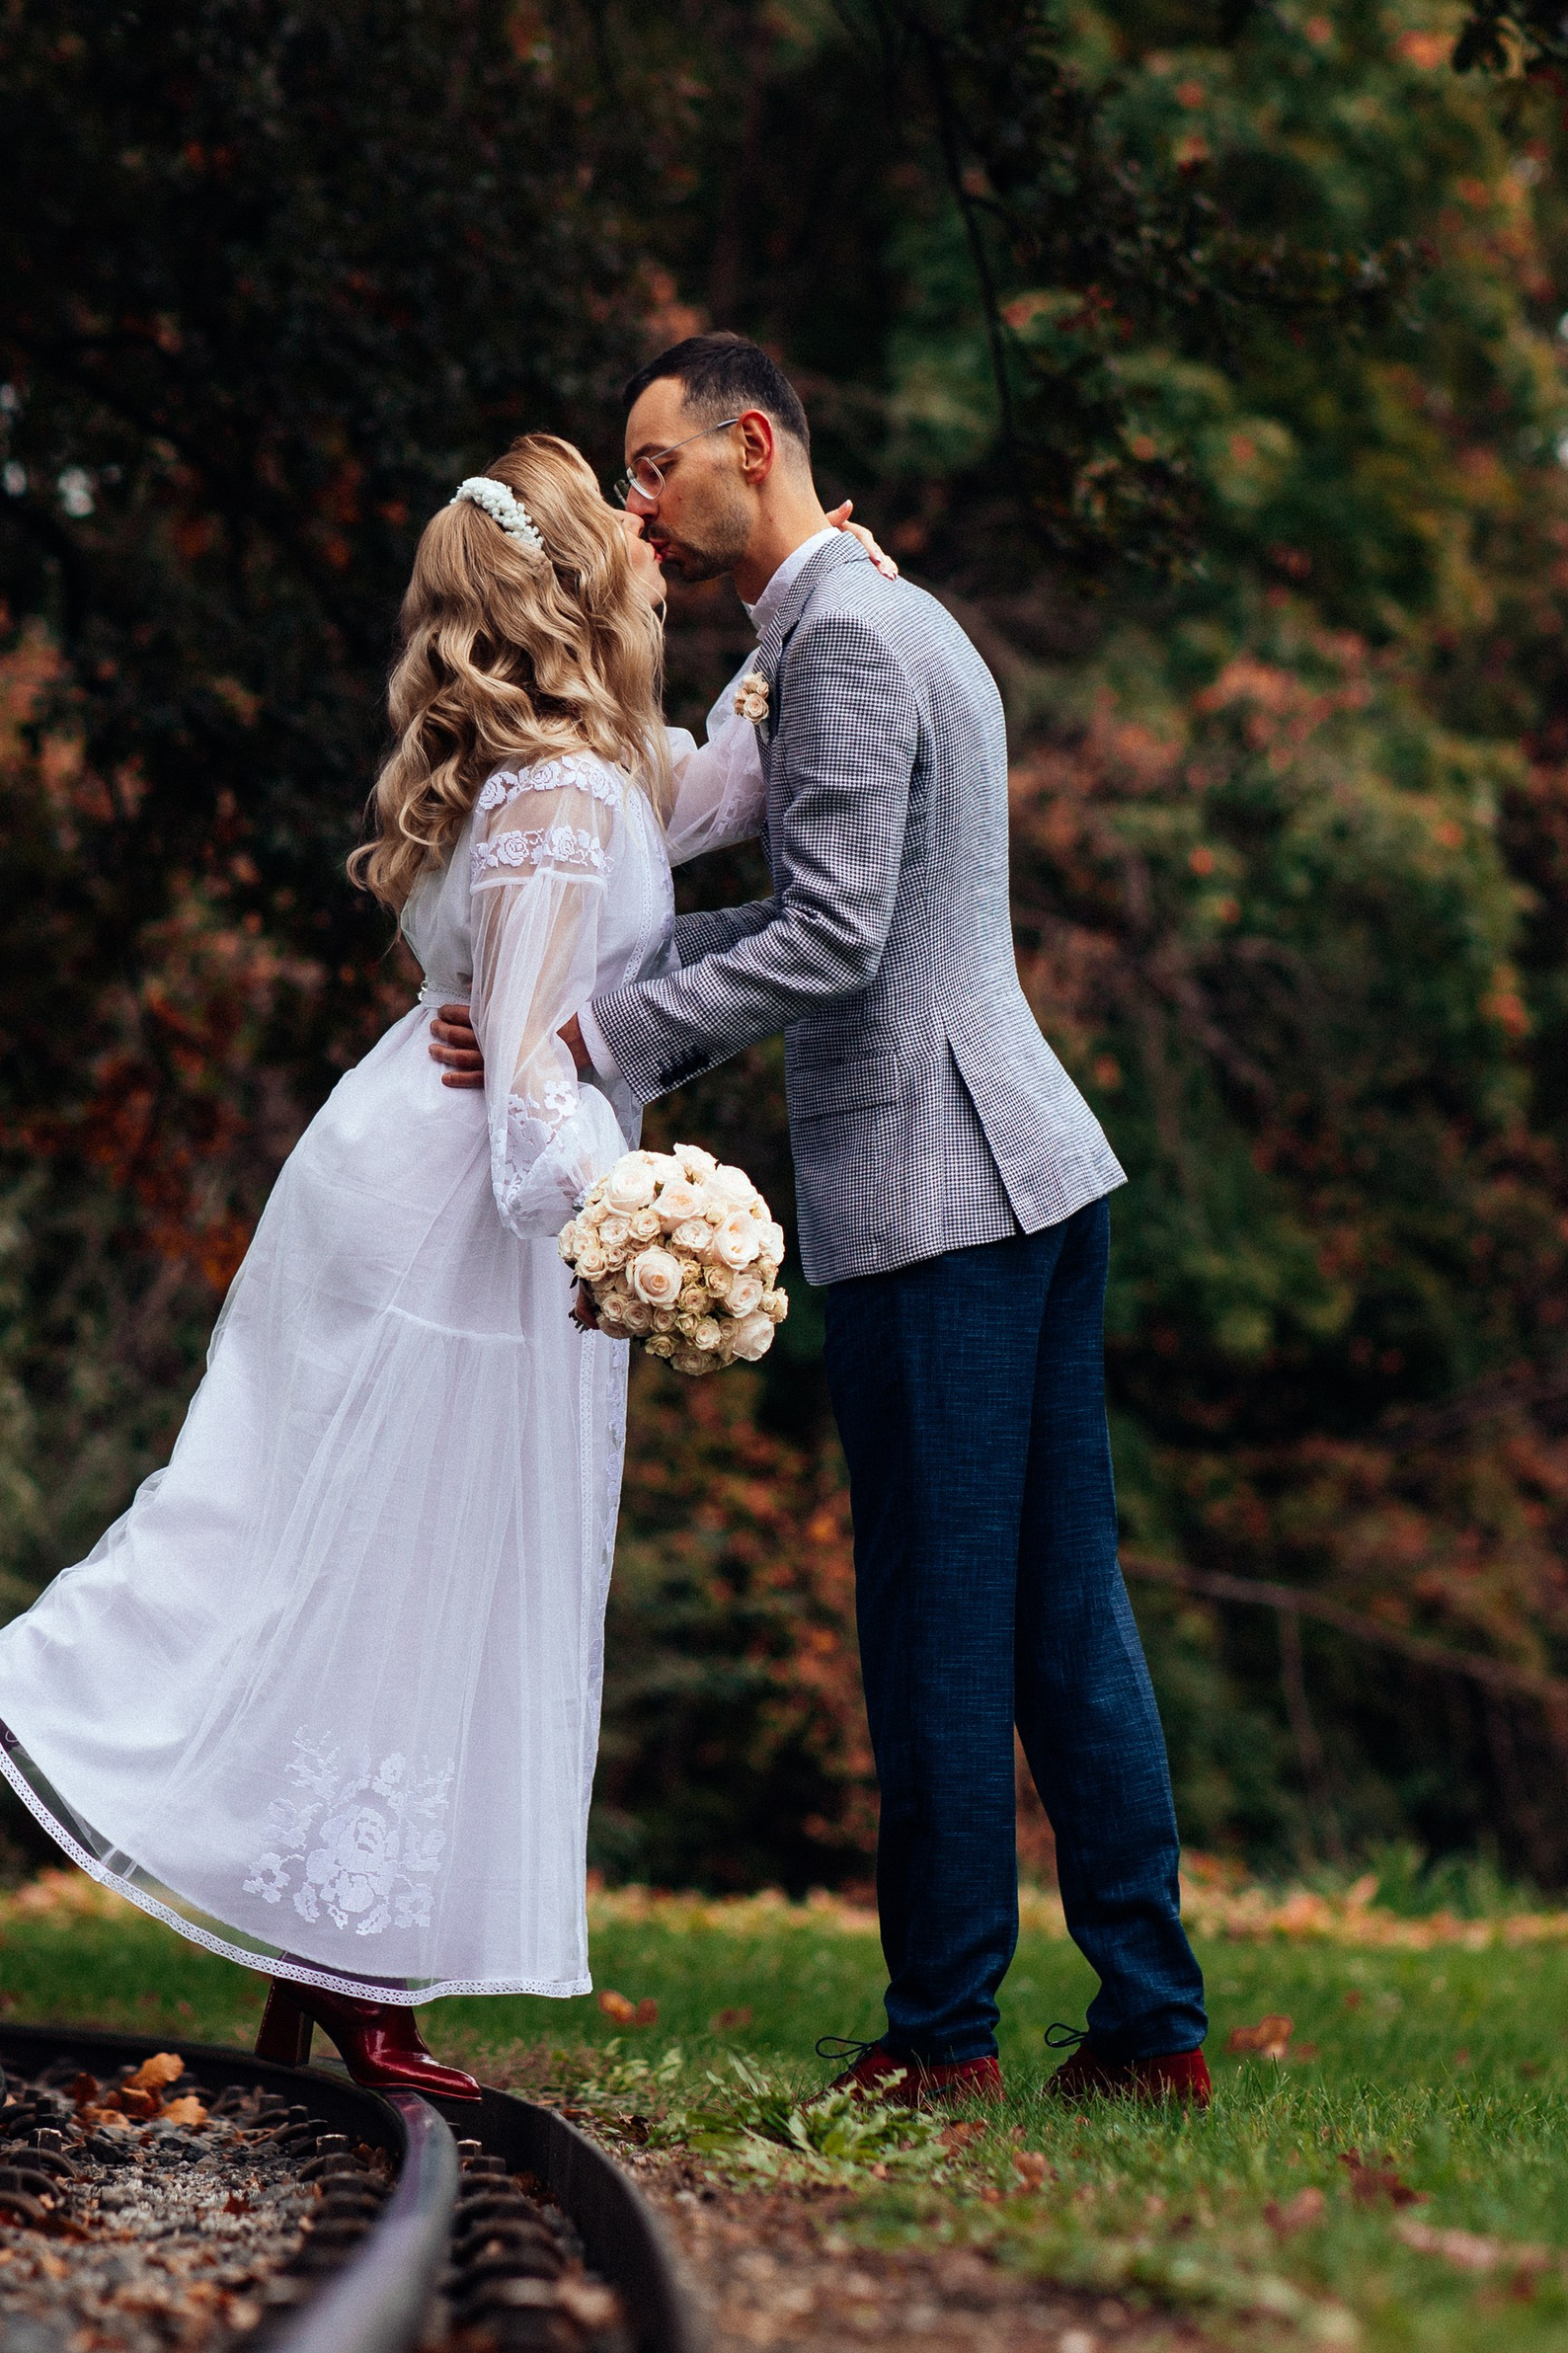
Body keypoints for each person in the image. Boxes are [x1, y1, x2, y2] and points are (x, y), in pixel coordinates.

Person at [0, 434, 880, 2101]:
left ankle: (128, 1818)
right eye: (607, 510)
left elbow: (730, 792)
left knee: (374, 1567)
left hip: (443, 1187)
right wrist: (638, 1231)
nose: (639, 522)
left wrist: (819, 604)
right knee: (341, 1557)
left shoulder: (585, 766)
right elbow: (534, 1070)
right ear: (561, 585)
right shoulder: (552, 798)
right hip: (458, 1210)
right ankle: (8, 1734)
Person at [431, 335, 1210, 2108]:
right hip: (1028, 1169)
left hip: (942, 1190)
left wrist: (590, 1030)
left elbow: (836, 934)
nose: (640, 507)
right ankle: (1152, 2028)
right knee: (1059, 1619)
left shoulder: (848, 636)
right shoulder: (871, 615)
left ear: (751, 442)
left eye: (654, 468)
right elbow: (804, 869)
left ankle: (940, 2043)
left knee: (939, 1627)